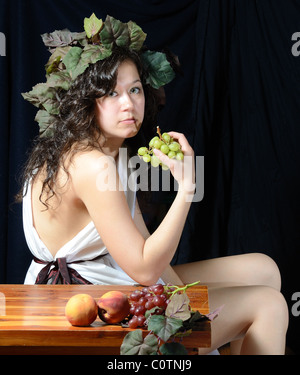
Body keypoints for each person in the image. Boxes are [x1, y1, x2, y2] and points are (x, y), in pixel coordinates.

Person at [19, 14, 288, 354]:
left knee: (263, 271)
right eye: (111, 93)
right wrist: (187, 190)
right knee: (269, 305)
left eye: (134, 89)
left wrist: (189, 310)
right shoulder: (92, 163)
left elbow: (144, 246)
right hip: (94, 300)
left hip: (115, 280)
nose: (129, 104)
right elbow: (145, 269)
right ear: (85, 100)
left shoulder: (102, 152)